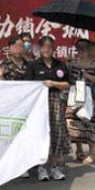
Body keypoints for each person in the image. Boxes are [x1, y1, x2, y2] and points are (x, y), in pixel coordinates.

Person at [25, 36, 70, 180]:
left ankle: (54, 167)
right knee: (41, 133)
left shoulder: (60, 65)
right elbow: (27, 86)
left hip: (57, 102)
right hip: (39, 104)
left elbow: (67, 84)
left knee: (57, 133)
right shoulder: (33, 65)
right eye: (44, 47)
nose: (47, 50)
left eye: (50, 47)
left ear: (54, 48)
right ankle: (41, 167)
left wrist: (53, 83)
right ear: (39, 48)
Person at [67, 38, 95, 164]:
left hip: (90, 98)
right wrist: (67, 65)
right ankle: (79, 150)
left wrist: (88, 76)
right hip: (75, 97)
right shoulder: (72, 63)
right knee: (75, 123)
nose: (81, 51)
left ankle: (91, 153)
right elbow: (67, 78)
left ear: (88, 50)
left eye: (83, 48)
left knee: (92, 124)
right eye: (78, 48)